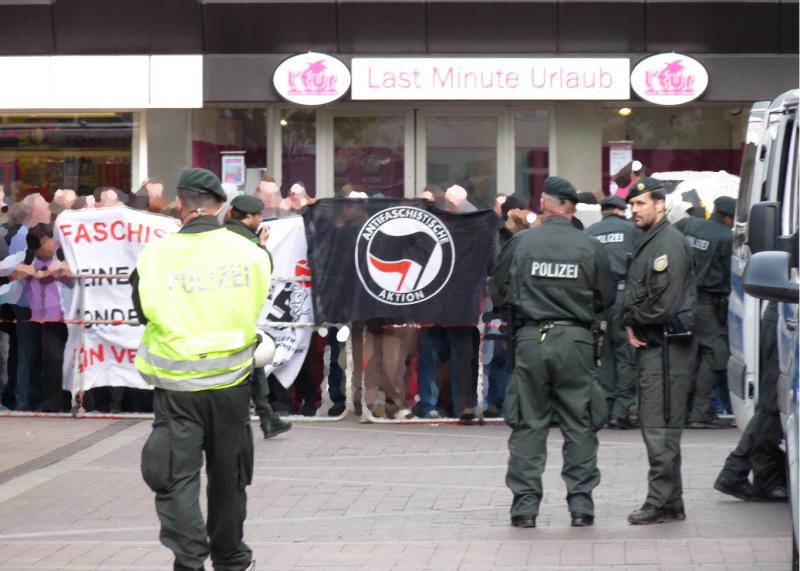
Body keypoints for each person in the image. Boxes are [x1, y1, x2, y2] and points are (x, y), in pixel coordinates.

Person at [133, 168, 270, 571]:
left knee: (176, 477)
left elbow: (143, 312)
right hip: (231, 386)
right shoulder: (250, 252)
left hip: (177, 389)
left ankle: (190, 560)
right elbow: (256, 303)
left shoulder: (156, 254)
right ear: (221, 206)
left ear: (180, 204)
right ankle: (230, 557)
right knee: (230, 478)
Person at [494, 176, 616, 528]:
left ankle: (525, 509)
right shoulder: (589, 245)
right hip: (575, 339)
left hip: (532, 339)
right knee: (579, 424)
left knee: (528, 424)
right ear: (572, 208)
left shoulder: (521, 244)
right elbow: (605, 297)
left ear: (544, 205)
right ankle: (581, 506)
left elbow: (500, 289)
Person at [622, 177, 696, 525]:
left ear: (659, 205)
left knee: (658, 426)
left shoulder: (667, 242)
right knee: (662, 426)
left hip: (665, 347)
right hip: (658, 345)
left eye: (640, 204)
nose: (633, 210)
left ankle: (659, 500)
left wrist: (631, 318)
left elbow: (662, 305)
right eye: (632, 204)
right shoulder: (651, 239)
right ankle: (672, 501)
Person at [224, 193, 292, 439]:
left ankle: (267, 418)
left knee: (254, 367)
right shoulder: (249, 244)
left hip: (222, 313)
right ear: (249, 217)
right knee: (250, 367)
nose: (261, 218)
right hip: (237, 315)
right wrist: (262, 246)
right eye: (259, 215)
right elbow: (264, 270)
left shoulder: (221, 235)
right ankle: (263, 418)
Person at [713, 301, 788, 502]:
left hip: (784, 318)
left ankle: (737, 472)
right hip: (786, 321)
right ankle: (760, 478)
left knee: (771, 406)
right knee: (773, 406)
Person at [674, 196, 735, 428]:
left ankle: (685, 411)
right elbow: (730, 273)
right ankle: (700, 413)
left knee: (691, 355)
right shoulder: (726, 237)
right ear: (727, 216)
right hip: (708, 304)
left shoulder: (690, 224)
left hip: (683, 301)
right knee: (715, 355)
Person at [585, 196, 641, 428]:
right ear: (621, 211)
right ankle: (621, 410)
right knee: (626, 354)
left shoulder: (590, 232)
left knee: (604, 355)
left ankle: (605, 409)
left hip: (597, 300)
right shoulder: (632, 231)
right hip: (623, 297)